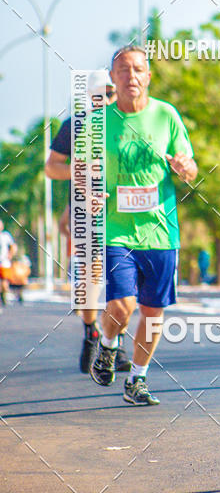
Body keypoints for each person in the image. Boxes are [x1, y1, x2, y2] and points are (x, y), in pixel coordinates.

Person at [86, 45, 197, 405]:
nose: (130, 76)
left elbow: (190, 166)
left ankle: (137, 379)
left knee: (152, 312)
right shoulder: (98, 122)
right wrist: (92, 192)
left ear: (148, 76)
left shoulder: (166, 115)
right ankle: (107, 345)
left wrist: (185, 168)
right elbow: (85, 173)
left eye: (137, 69)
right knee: (122, 305)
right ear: (113, 77)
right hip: (116, 231)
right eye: (123, 70)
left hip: (161, 232)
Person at [45, 71, 131, 374]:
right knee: (91, 281)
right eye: (99, 94)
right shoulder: (75, 125)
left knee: (121, 282)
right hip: (87, 213)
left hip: (123, 214)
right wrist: (79, 170)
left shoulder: (127, 124)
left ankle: (115, 342)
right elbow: (52, 168)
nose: (104, 99)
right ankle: (91, 331)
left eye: (110, 93)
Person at [0, 219, 17, 308]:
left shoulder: (5, 236)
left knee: (4, 281)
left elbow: (13, 246)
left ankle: (4, 296)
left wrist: (10, 255)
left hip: (4, 262)